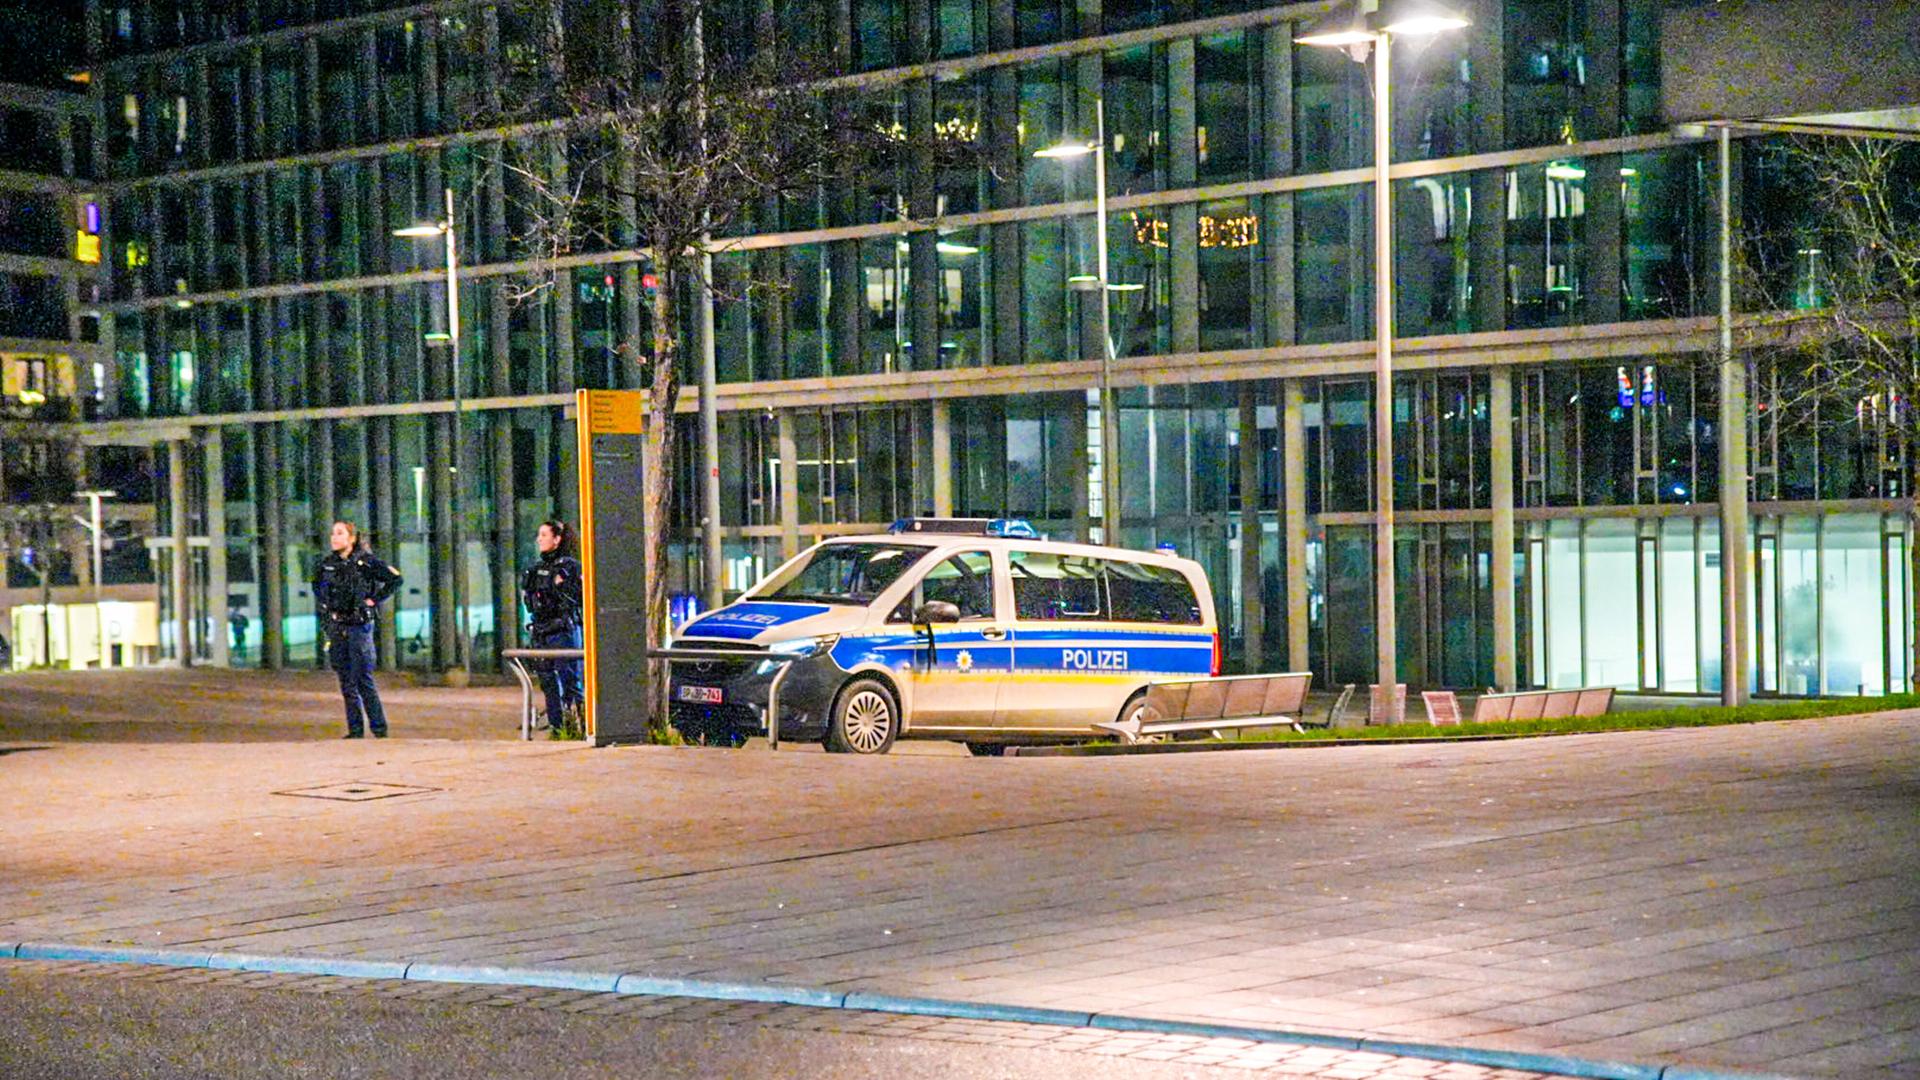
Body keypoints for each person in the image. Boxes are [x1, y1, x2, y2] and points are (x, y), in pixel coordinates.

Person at [313, 521, 403, 739]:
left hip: (359, 625)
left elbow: (395, 579)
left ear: (351, 538)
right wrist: (327, 615)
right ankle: (355, 730)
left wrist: (374, 600)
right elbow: (318, 588)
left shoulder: (366, 561)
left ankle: (379, 729)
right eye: (333, 533)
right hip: (338, 626)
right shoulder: (326, 565)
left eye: (340, 533)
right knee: (345, 679)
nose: (334, 537)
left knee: (363, 678)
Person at [522, 520, 585, 730]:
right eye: (539, 535)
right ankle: (557, 728)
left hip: (563, 631)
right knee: (548, 683)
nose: (539, 539)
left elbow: (578, 598)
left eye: (544, 535)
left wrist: (561, 586)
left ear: (557, 540)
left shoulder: (571, 567)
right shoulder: (535, 569)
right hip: (541, 632)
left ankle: (577, 728)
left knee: (570, 683)